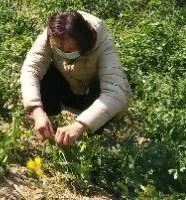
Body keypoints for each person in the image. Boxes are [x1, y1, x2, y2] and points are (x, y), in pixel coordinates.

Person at [20, 11, 130, 147]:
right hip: (69, 88)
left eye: (71, 49)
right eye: (59, 48)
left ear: (83, 42)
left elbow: (115, 93)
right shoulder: (52, 34)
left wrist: (80, 126)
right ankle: (48, 117)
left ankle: (92, 133)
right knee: (43, 76)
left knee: (100, 94)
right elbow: (31, 68)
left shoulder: (102, 42)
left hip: (92, 95)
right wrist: (36, 110)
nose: (64, 53)